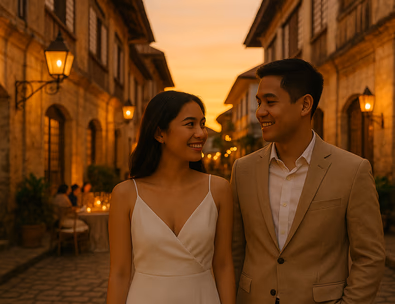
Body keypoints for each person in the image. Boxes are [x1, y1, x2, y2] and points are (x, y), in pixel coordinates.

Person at [231, 58, 385, 304]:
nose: (260, 112)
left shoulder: (352, 170)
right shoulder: (242, 170)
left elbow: (370, 257)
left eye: (270, 102)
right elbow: (235, 251)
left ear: (305, 105)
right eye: (259, 102)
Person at [107, 91, 235, 304]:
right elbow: (119, 274)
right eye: (190, 124)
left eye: (202, 124)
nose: (201, 133)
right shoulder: (125, 194)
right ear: (160, 134)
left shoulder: (219, 189)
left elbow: (223, 265)